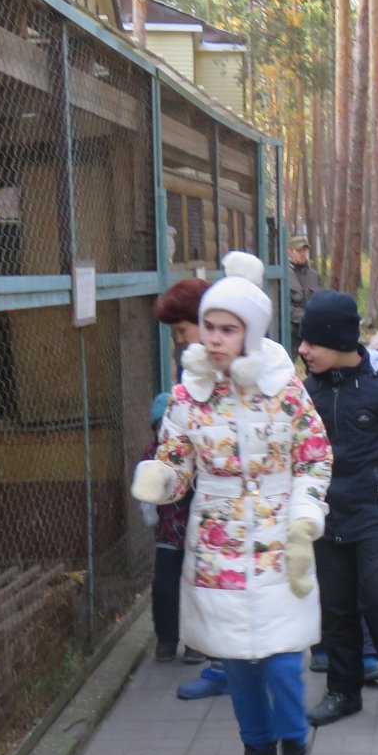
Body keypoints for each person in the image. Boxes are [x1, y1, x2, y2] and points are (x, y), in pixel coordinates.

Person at [131, 252, 333, 755]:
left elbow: (314, 459)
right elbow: (177, 462)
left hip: (278, 539)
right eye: (209, 327)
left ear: (250, 332)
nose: (214, 339)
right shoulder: (189, 395)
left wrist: (302, 520)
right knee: (239, 665)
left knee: (277, 663)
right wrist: (163, 479)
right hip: (217, 542)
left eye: (227, 329)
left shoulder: (285, 391)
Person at [297, 291, 378, 733]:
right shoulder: (307, 393)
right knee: (336, 606)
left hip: (375, 515)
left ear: (338, 340)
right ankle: (343, 690)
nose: (303, 350)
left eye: (312, 341)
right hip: (326, 517)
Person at [148, 278, 210, 671]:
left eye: (181, 331)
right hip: (187, 512)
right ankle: (197, 646)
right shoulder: (185, 389)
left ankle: (188, 643)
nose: (180, 342)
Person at [287, 230, 319, 323]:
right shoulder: (285, 276)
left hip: (314, 328)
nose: (303, 253)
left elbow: (321, 302)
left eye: (304, 250)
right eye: (299, 250)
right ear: (290, 252)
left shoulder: (314, 276)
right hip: (293, 330)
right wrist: (306, 317)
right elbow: (284, 307)